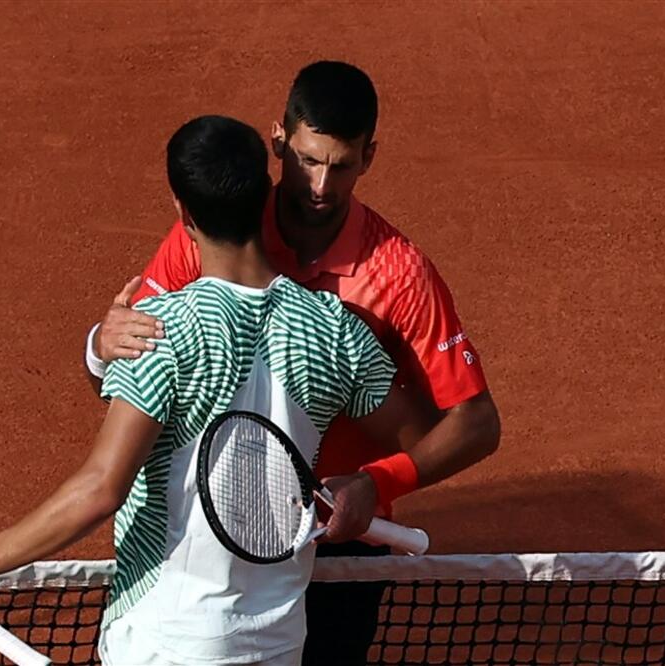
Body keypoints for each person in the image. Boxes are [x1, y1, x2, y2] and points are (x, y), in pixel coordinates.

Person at [0, 115, 437, 665]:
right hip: (278, 643)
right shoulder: (334, 328)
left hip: (166, 640)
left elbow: (101, 488)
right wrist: (370, 485)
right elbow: (425, 437)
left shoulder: (160, 332)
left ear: (181, 211)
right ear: (264, 195)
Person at [84, 61, 502, 664]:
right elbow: (131, 362)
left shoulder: (399, 274)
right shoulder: (214, 233)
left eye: (342, 166)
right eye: (308, 159)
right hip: (215, 524)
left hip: (338, 532)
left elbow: (477, 422)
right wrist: (101, 346)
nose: (322, 186)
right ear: (279, 141)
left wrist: (377, 482)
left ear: (370, 156)